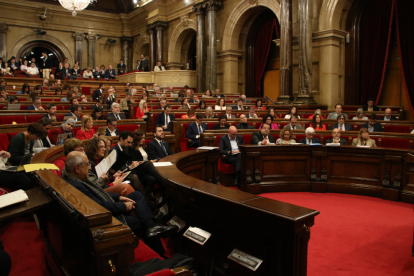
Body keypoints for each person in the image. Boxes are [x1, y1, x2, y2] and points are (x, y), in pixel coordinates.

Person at [62, 151, 178, 255]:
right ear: (77, 168)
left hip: (104, 208)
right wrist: (123, 206)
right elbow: (100, 206)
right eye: (87, 164)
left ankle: (152, 226)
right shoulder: (76, 186)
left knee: (136, 195)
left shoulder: (75, 179)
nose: (90, 168)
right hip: (106, 220)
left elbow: (99, 194)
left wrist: (119, 198)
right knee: (141, 219)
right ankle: (158, 252)